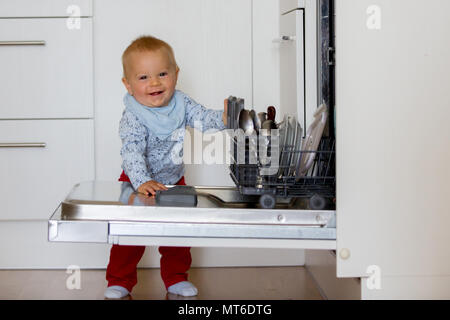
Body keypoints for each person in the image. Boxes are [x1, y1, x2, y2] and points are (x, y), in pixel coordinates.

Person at [104, 35, 228, 299]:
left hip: (173, 181)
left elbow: (204, 118)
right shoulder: (134, 115)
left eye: (162, 73)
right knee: (129, 237)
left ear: (176, 74)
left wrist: (225, 117)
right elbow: (131, 150)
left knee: (177, 234)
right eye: (143, 77)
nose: (155, 83)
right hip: (135, 181)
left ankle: (175, 278)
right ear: (128, 84)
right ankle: (120, 280)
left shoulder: (181, 104)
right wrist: (141, 181)